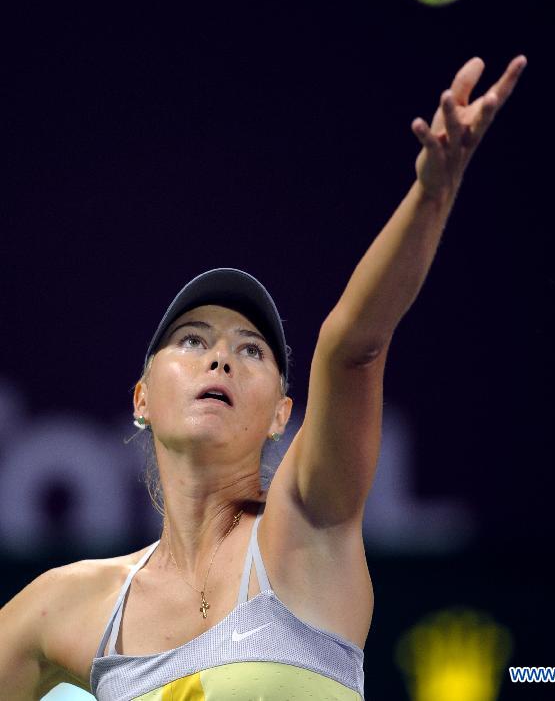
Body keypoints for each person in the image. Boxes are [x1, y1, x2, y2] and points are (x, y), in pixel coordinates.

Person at [0, 54, 526, 700]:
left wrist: (431, 193)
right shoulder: (67, 608)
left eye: (250, 351)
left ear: (281, 413)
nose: (219, 358)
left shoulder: (306, 532)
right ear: (142, 398)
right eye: (191, 341)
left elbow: (352, 347)